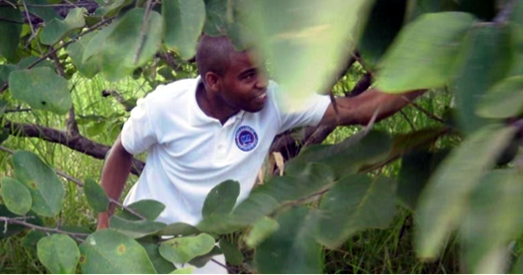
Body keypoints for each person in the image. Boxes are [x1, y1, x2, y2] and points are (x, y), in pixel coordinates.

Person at [96, 35, 423, 273]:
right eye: (248, 75)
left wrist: (430, 73)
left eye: (262, 70)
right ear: (214, 81)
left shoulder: (274, 103)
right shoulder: (164, 107)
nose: (263, 82)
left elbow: (355, 109)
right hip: (144, 236)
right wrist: (103, 226)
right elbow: (122, 151)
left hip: (202, 248)